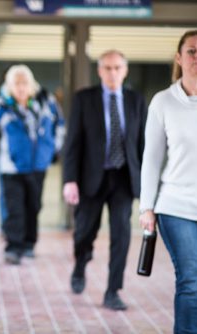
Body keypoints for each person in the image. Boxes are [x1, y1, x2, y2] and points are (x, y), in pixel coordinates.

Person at [62, 50, 147, 310]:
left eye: (117, 68)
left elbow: (144, 144)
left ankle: (113, 290)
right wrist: (70, 180)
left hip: (124, 177)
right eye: (108, 68)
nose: (112, 73)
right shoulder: (84, 99)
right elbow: (72, 142)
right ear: (100, 71)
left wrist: (148, 183)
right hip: (91, 178)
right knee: (84, 232)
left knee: (121, 235)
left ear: (125, 70)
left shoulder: (136, 100)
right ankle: (80, 265)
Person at [0, 64, 64, 265]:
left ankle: (29, 243)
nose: (21, 88)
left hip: (38, 165)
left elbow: (60, 125)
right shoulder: (0, 106)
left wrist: (52, 151)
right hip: (10, 167)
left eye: (25, 83)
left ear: (32, 85)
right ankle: (13, 247)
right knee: (15, 208)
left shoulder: (46, 101)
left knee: (34, 205)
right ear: (9, 85)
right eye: (16, 83)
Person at [139, 29, 197, 333]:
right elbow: (151, 159)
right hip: (177, 207)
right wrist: (146, 208)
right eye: (192, 51)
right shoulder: (163, 102)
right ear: (179, 57)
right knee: (191, 281)